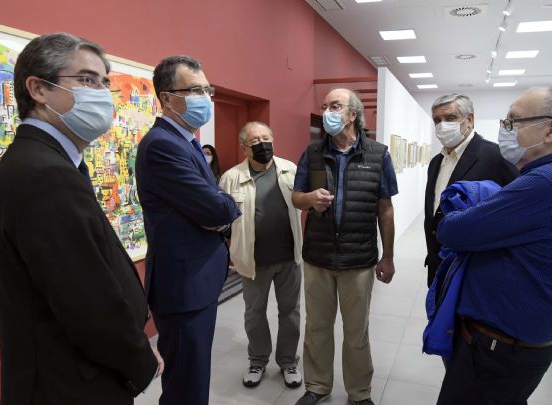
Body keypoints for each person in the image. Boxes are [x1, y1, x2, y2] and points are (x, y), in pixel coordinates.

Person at [0, 32, 161, 405]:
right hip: (70, 382)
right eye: (87, 80)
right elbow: (87, 303)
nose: (102, 93)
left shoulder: (39, 162)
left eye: (104, 82)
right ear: (38, 89)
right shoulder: (44, 174)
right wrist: (142, 361)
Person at [435, 87, 552, 404]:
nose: (505, 130)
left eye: (513, 122)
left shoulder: (548, 182)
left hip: (498, 349)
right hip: (520, 343)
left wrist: (470, 207)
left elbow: (452, 231)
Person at [135, 55, 241, 405]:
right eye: (194, 90)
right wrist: (222, 208)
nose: (205, 98)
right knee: (186, 388)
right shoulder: (163, 145)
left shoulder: (186, 142)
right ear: (166, 98)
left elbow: (211, 205)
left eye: (207, 90)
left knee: (193, 379)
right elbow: (217, 207)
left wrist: (217, 207)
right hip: (182, 288)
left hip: (196, 282)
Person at [292, 88, 398, 405]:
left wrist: (388, 256)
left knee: (356, 332)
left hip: (359, 260)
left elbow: (385, 209)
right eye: (325, 106)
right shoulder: (312, 153)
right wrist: (309, 199)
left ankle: (359, 392)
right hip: (318, 257)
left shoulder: (378, 154)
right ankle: (317, 386)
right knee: (317, 328)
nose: (327, 112)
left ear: (353, 114)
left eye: (335, 106)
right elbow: (296, 197)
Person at [219, 122, 303, 389]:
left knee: (290, 312)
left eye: (266, 138)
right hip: (252, 261)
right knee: (254, 314)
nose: (262, 144)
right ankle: (257, 360)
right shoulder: (231, 178)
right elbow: (222, 219)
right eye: (255, 141)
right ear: (244, 147)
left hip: (289, 258)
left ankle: (288, 361)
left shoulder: (290, 170)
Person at [424, 94, 518, 287]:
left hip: (477, 269)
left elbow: (517, 213)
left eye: (450, 118)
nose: (442, 125)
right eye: (437, 120)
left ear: (470, 120)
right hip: (438, 264)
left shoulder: (497, 157)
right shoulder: (436, 162)